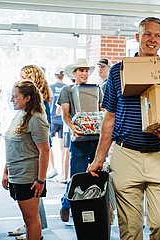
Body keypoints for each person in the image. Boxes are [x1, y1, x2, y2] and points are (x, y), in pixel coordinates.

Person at [87, 17, 160, 240]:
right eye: (148, 34)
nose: (153, 39)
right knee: (130, 230)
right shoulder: (118, 71)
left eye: (158, 35)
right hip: (126, 155)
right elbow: (110, 117)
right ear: (137, 37)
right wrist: (99, 158)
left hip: (159, 156)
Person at [2, 80, 50, 240]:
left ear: (27, 98)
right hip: (17, 174)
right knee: (28, 220)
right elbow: (12, 148)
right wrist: (6, 172)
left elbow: (45, 151)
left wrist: (40, 180)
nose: (12, 100)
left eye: (15, 97)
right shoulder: (20, 115)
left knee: (32, 220)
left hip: (28, 177)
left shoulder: (36, 119)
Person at [57, 58, 100, 222]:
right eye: (81, 70)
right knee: (77, 175)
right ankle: (67, 204)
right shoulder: (67, 90)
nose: (84, 73)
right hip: (79, 141)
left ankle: (90, 209)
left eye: (86, 70)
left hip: (96, 140)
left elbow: (102, 110)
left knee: (96, 175)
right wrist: (72, 126)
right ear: (74, 73)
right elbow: (65, 113)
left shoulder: (96, 89)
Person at [49, 67, 67, 181]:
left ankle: (53, 168)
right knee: (62, 148)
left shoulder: (51, 87)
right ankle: (62, 172)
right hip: (62, 120)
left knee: (48, 145)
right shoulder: (66, 88)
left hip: (52, 119)